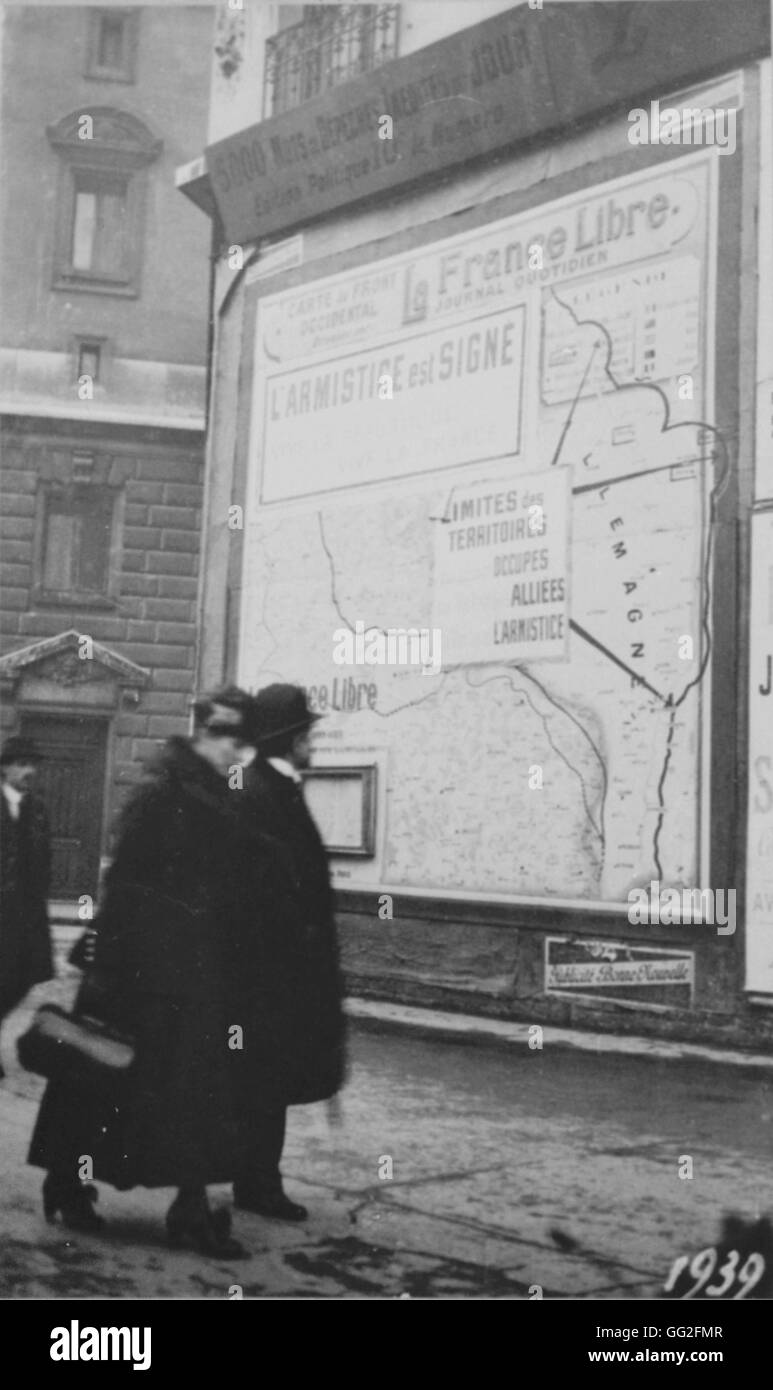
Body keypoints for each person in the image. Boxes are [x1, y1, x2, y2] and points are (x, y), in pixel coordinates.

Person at [28, 688, 264, 1256]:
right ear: (204, 733)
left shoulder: (212, 792)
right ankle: (69, 1183)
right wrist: (127, 962)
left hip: (191, 970)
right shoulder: (165, 793)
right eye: (230, 738)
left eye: (245, 742)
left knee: (190, 1090)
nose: (239, 752)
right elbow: (128, 882)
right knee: (103, 1077)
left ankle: (188, 1207)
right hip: (141, 973)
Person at [232, 684, 346, 1222]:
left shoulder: (273, 787)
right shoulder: (264, 792)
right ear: (292, 738)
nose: (313, 743)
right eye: (309, 734)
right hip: (270, 974)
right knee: (263, 1080)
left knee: (266, 1079)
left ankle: (256, 1178)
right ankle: (257, 1184)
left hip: (275, 972)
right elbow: (267, 888)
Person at [0, 736, 54, 1078]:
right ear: (4, 768)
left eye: (33, 765)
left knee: (22, 980)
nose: (29, 771)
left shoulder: (38, 810)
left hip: (25, 913)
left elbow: (43, 859)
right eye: (21, 764)